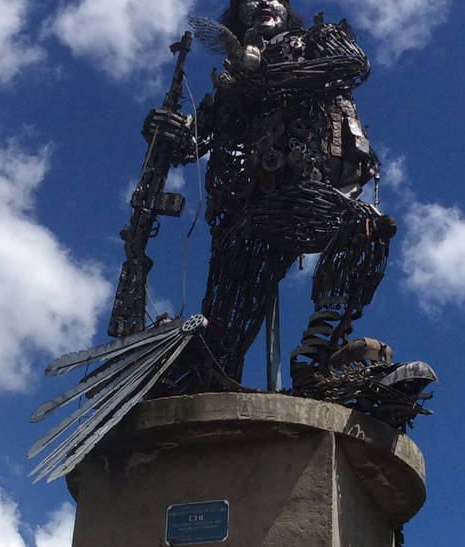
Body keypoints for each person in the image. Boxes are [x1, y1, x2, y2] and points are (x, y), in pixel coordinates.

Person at [149, 0, 397, 390]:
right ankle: (205, 382)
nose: (264, 2)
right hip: (246, 217)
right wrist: (169, 129)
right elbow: (191, 143)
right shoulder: (231, 88)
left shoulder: (317, 41)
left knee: (368, 232)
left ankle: (315, 358)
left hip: (311, 198)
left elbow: (353, 64)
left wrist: (270, 75)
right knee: (222, 342)